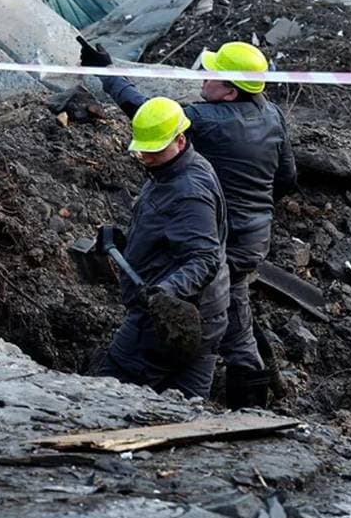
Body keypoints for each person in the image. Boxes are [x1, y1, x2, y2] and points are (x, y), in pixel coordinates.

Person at [83, 40, 296, 407]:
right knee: (234, 318)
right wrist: (252, 206)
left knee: (208, 305)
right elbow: (288, 178)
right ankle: (250, 405)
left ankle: (207, 389)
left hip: (219, 235)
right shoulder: (272, 114)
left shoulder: (208, 123)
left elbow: (150, 117)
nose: (203, 76)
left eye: (212, 74)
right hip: (254, 236)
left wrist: (108, 73)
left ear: (230, 91)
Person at [93, 97, 231, 398]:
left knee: (104, 393)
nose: (145, 155)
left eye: (154, 148)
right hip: (207, 318)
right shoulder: (175, 170)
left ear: (180, 140)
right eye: (142, 147)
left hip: (169, 321)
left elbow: (204, 258)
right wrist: (127, 244)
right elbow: (175, 236)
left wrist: (166, 292)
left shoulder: (189, 192)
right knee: (187, 411)